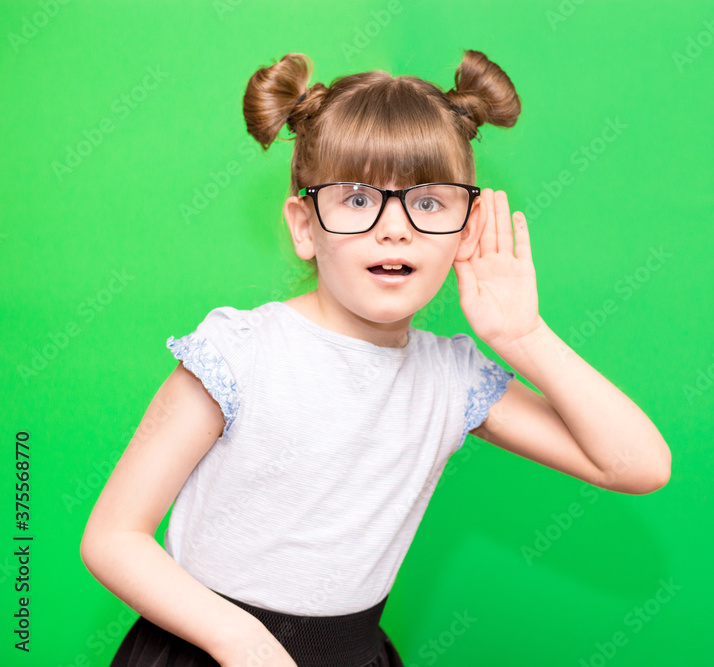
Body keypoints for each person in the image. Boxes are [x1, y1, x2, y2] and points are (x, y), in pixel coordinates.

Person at [80, 50, 671, 667]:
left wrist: (523, 336)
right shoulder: (238, 353)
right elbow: (113, 537)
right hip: (209, 651)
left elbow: (638, 465)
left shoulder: (453, 378)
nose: (395, 228)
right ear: (304, 226)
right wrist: (243, 644)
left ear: (467, 229)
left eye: (429, 202)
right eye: (359, 199)